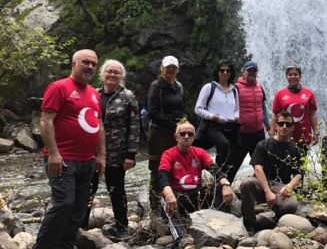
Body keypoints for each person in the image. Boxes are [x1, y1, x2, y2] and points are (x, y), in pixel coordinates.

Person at [34, 49, 106, 249]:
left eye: (93, 63)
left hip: (88, 160)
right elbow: (46, 121)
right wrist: (54, 153)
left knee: (78, 208)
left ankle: (64, 245)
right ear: (73, 64)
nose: (90, 66)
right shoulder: (59, 87)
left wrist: (101, 156)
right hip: (63, 159)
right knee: (64, 203)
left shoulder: (94, 93)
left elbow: (98, 125)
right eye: (85, 62)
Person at [82, 60, 139, 239]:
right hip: (92, 152)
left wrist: (131, 154)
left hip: (117, 153)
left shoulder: (128, 96)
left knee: (116, 189)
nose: (112, 75)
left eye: (116, 72)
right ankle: (81, 226)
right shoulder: (93, 94)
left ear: (121, 76)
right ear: (102, 74)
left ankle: (122, 226)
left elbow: (135, 126)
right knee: (88, 188)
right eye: (109, 71)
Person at [159, 121, 234, 248]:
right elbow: (162, 175)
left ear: (194, 137)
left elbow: (214, 169)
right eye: (183, 133)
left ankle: (224, 228)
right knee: (165, 199)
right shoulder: (168, 154)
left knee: (221, 186)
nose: (186, 136)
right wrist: (168, 193)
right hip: (176, 198)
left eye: (190, 134)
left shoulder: (200, 152)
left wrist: (226, 184)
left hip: (196, 196)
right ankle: (183, 240)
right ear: (176, 137)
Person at [240, 111, 303, 233]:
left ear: (292, 128)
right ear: (276, 125)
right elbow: (258, 168)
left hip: (281, 187)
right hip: (263, 183)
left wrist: (289, 186)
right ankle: (249, 223)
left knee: (291, 205)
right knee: (247, 183)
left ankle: (276, 220)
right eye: (281, 123)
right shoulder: (263, 144)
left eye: (287, 124)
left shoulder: (295, 149)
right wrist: (267, 192)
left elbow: (299, 173)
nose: (284, 127)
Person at [147, 55, 185, 213]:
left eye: (173, 67)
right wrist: (175, 125)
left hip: (175, 133)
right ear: (162, 68)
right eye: (168, 67)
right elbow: (153, 112)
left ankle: (173, 202)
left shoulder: (179, 86)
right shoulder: (156, 86)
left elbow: (183, 108)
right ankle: (155, 206)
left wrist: (184, 123)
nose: (170, 70)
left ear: (177, 70)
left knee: (175, 165)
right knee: (157, 168)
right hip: (159, 133)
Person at [194, 59, 240, 183]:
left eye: (228, 70)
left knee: (235, 150)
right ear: (217, 72)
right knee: (224, 145)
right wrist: (213, 116)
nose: (225, 73)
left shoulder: (234, 89)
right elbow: (198, 109)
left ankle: (223, 180)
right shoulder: (209, 87)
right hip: (212, 125)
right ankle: (218, 176)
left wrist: (236, 116)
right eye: (222, 70)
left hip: (230, 126)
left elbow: (237, 109)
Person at [271, 65, 318, 154]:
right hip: (284, 135)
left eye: (295, 74)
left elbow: (313, 114)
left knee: (301, 164)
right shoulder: (280, 94)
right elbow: (275, 115)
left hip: (304, 135)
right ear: (286, 77)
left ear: (300, 76)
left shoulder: (309, 93)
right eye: (290, 74)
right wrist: (272, 132)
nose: (293, 76)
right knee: (284, 164)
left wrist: (316, 132)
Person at [233, 61, 269, 171]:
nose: (252, 73)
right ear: (243, 72)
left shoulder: (260, 87)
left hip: (258, 133)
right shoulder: (235, 88)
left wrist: (268, 125)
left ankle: (262, 187)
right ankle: (223, 187)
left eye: (254, 71)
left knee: (262, 164)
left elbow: (263, 107)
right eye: (249, 70)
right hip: (241, 134)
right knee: (234, 164)